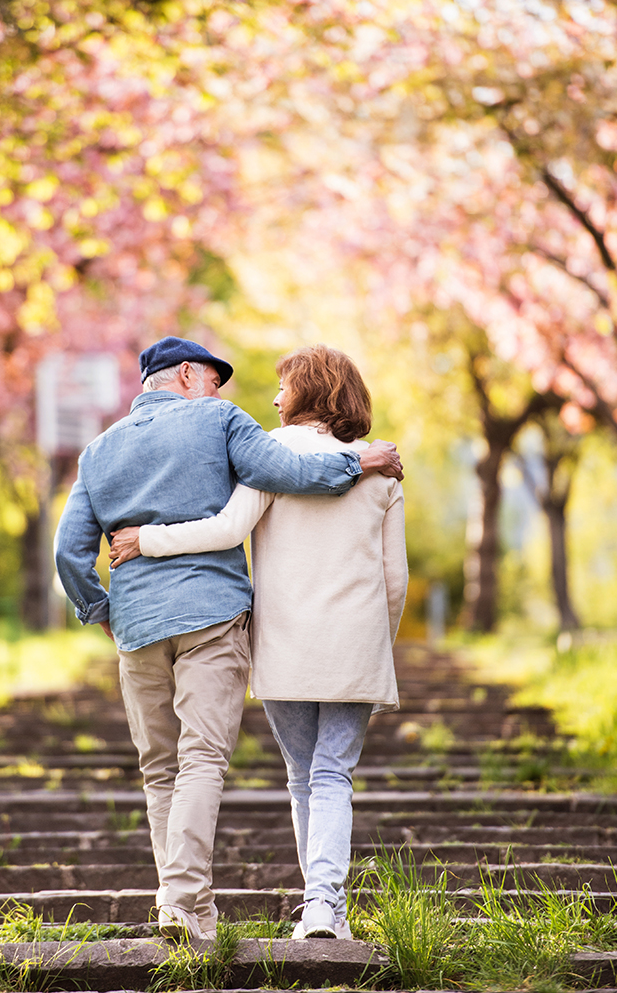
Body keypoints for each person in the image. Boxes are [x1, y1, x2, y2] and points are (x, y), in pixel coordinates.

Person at [54, 336, 403, 944]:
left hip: (142, 626)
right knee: (216, 763)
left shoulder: (98, 451)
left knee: (162, 767)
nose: (225, 391)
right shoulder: (224, 423)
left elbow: (70, 552)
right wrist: (363, 461)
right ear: (188, 374)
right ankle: (214, 905)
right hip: (218, 620)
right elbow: (298, 484)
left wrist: (101, 608)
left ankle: (177, 905)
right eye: (215, 378)